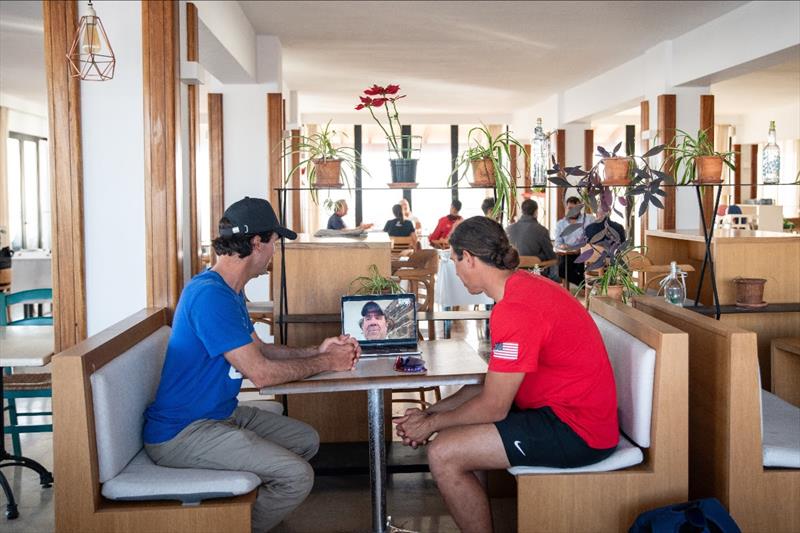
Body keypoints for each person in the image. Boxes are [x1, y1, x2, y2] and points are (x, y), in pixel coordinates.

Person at [143, 197, 361, 532]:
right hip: (182, 433)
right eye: (274, 243)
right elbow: (260, 373)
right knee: (297, 476)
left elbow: (260, 350)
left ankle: (241, 511)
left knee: (305, 439)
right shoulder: (210, 296)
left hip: (219, 415)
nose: (274, 252)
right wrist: (327, 361)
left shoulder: (229, 291)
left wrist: (315, 351)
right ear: (256, 243)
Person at [394, 216, 618, 533]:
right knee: (453, 438)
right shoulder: (522, 289)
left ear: (468, 258)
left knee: (443, 452)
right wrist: (429, 414)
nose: (455, 271)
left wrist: (429, 426)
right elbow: (491, 386)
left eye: (454, 260)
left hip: (578, 430)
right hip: (560, 415)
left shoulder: (516, 309)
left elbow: (494, 406)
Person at [506, 199, 558, 280]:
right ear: (536, 212)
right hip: (536, 273)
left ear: (522, 211)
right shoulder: (541, 230)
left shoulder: (508, 229)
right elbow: (551, 256)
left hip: (513, 273)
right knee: (556, 262)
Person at [555, 196, 596, 287]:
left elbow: (594, 236)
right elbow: (558, 243)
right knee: (561, 269)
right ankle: (585, 286)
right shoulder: (560, 224)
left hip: (584, 253)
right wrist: (562, 246)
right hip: (568, 254)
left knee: (581, 267)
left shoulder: (589, 219)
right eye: (570, 208)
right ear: (566, 208)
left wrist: (583, 247)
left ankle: (586, 287)